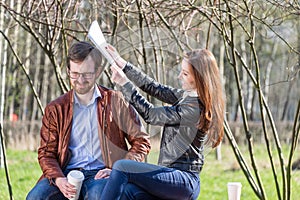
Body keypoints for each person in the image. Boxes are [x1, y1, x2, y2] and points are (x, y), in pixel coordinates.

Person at [26, 41, 151, 200]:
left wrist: (118, 170)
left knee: (99, 196)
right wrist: (59, 179)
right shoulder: (55, 108)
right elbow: (46, 153)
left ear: (97, 71)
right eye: (75, 73)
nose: (80, 79)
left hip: (102, 174)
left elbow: (142, 141)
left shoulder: (116, 101)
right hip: (65, 173)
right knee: (35, 197)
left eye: (86, 74)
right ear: (68, 70)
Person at [100, 46, 225, 200]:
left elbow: (151, 114)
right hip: (169, 177)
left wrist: (124, 83)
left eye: (185, 73)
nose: (180, 76)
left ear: (200, 78)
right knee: (128, 190)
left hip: (184, 180)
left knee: (121, 167)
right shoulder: (186, 97)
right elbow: (155, 88)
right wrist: (123, 64)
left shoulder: (194, 109)